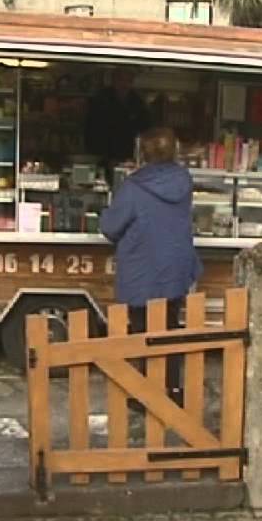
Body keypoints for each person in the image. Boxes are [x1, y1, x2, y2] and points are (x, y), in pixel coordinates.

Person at [100, 127, 203, 405]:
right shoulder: (183, 180)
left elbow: (110, 227)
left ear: (143, 154)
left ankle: (146, 394)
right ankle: (172, 391)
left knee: (142, 333)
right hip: (175, 269)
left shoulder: (133, 187)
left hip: (142, 270)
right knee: (169, 329)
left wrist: (104, 212)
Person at [85, 67, 152, 169]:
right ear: (114, 81)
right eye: (120, 80)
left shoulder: (137, 102)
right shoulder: (101, 100)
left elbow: (145, 129)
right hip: (104, 155)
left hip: (131, 156)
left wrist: (140, 155)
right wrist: (105, 157)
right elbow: (93, 129)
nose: (124, 84)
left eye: (128, 80)